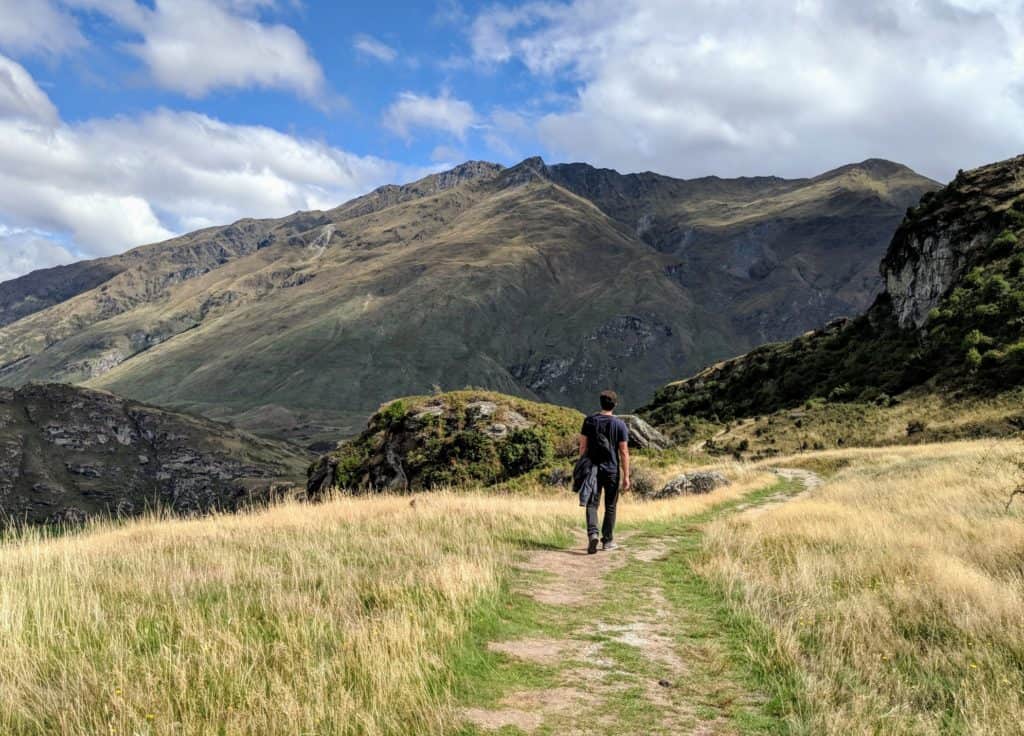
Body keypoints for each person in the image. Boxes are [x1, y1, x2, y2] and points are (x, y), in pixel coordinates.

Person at [578, 389, 630, 554]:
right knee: (610, 505)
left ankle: (593, 533)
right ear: (615, 404)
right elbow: (623, 452)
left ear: (600, 403)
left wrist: (583, 466)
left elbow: (582, 447)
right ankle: (607, 541)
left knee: (592, 503)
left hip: (593, 468)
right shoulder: (619, 424)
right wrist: (626, 475)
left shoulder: (589, 421)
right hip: (612, 470)